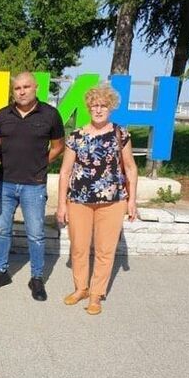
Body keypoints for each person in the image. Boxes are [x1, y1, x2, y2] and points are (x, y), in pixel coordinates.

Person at [57, 84, 138, 315]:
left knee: (104, 250)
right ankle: (81, 288)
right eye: (95, 105)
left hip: (113, 201)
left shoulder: (121, 134)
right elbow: (65, 171)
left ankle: (96, 294)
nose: (99, 109)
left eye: (103, 105)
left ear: (110, 107)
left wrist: (132, 201)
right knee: (79, 247)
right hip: (78, 200)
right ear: (88, 107)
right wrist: (61, 204)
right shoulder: (76, 136)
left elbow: (130, 168)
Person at [0, 72, 65, 301]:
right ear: (13, 91)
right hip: (6, 182)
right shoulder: (3, 115)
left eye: (26, 87)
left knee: (36, 234)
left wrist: (41, 163)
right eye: (17, 88)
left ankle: (36, 278)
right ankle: (1, 272)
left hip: (34, 185)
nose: (22, 91)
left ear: (35, 87)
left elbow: (59, 146)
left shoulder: (50, 114)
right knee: (2, 230)